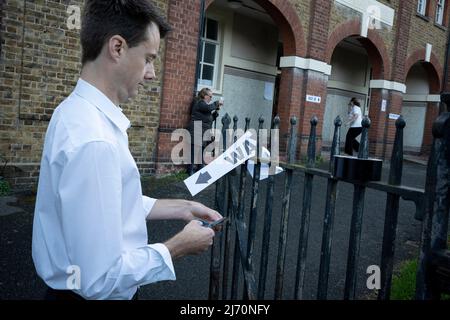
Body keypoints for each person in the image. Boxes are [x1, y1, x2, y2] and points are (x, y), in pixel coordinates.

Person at [32, 0, 222, 300]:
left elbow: (110, 203)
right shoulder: (95, 141)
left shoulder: (77, 113)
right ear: (117, 48)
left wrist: (182, 208)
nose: (152, 74)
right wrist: (178, 247)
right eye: (148, 59)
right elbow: (98, 280)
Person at [188, 88, 222, 175]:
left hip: (203, 130)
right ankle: (190, 170)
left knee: (202, 150)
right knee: (194, 151)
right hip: (197, 129)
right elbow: (207, 108)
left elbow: (209, 118)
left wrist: (215, 112)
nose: (211, 98)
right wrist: (216, 103)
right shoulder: (199, 103)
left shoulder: (205, 106)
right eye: (210, 96)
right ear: (204, 96)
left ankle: (200, 169)